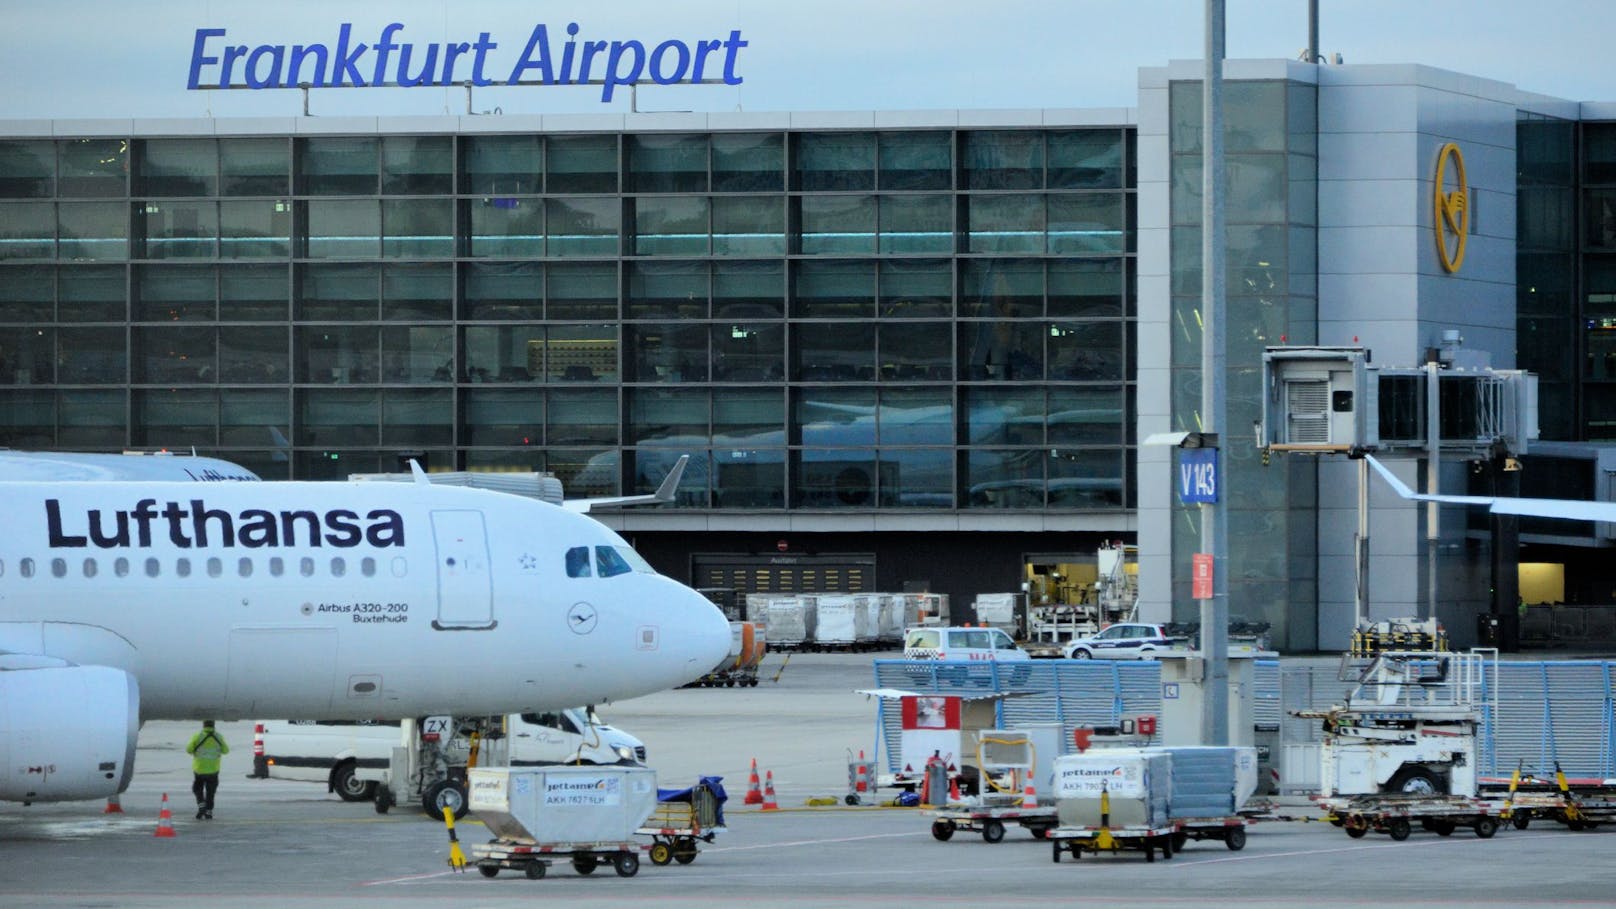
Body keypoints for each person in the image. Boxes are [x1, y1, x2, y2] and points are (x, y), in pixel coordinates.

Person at [186, 720, 229, 820]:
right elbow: (226, 751)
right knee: (211, 792)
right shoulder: (218, 737)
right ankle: (208, 812)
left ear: (203, 725)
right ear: (213, 726)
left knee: (197, 788)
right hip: (213, 770)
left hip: (199, 769)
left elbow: (188, 750)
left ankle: (201, 804)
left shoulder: (197, 736)